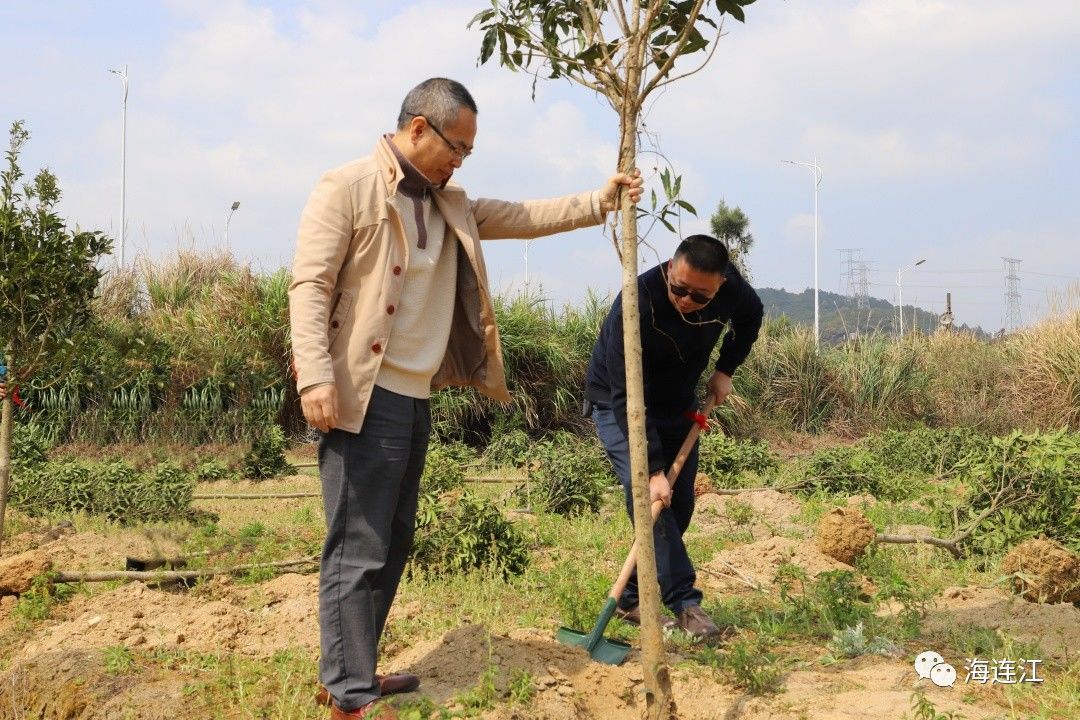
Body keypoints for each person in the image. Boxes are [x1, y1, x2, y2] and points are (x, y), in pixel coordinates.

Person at [288, 77, 642, 720]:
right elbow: (309, 285)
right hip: (362, 396)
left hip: (414, 397)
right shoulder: (346, 188)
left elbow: (523, 216)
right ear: (418, 128)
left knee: (393, 540)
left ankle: (354, 670)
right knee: (357, 544)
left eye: (467, 154)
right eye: (458, 147)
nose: (460, 161)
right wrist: (315, 376)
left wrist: (600, 201)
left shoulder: (447, 202)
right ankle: (348, 691)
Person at [584, 234, 763, 640]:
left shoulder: (734, 291)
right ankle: (686, 604)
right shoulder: (636, 303)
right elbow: (625, 394)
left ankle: (629, 597)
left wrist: (726, 369)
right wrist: (652, 470)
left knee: (678, 505)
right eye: (678, 289)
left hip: (677, 403)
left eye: (699, 297)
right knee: (653, 497)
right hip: (618, 403)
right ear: (669, 268)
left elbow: (752, 318)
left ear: (720, 286)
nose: (685, 300)